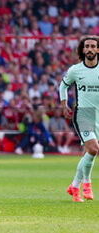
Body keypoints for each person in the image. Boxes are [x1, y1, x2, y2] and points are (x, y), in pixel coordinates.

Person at [59, 36, 99, 202]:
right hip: (83, 113)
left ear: (98, 50)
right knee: (93, 149)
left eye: (93, 46)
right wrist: (63, 104)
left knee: (88, 154)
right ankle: (87, 184)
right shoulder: (75, 70)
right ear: (83, 50)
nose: (89, 49)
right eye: (87, 46)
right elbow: (63, 85)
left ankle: (75, 186)